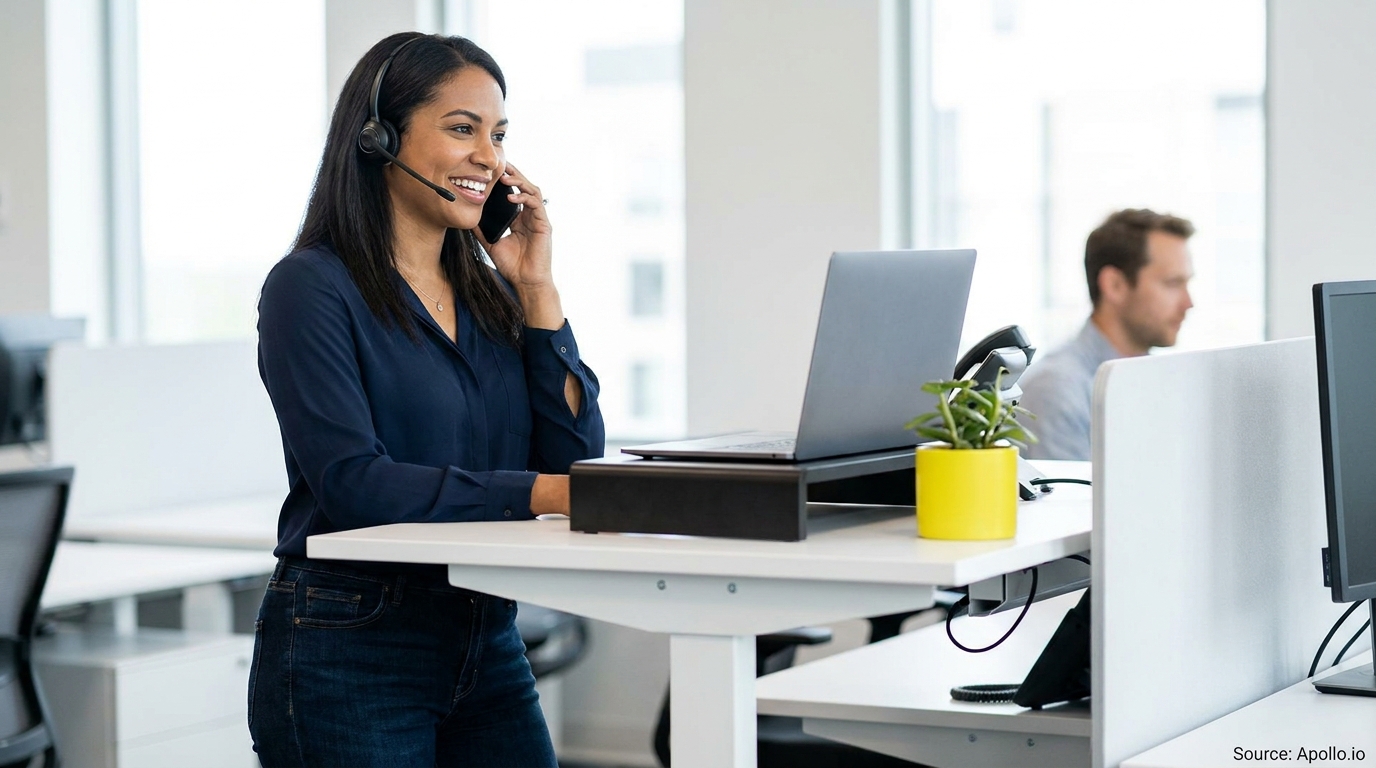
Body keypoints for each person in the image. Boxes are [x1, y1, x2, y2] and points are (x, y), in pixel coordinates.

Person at [248, 32, 604, 766]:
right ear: (379, 138)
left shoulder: (491, 295)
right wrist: (544, 494)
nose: (490, 157)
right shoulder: (311, 288)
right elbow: (355, 484)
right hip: (350, 641)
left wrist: (536, 286)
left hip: (484, 631)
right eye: (461, 128)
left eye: (499, 134)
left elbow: (575, 458)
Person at [1018, 208, 1194, 461]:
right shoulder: (1058, 391)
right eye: (1172, 284)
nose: (1188, 303)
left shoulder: (1163, 384)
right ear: (1115, 285)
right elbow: (1071, 499)